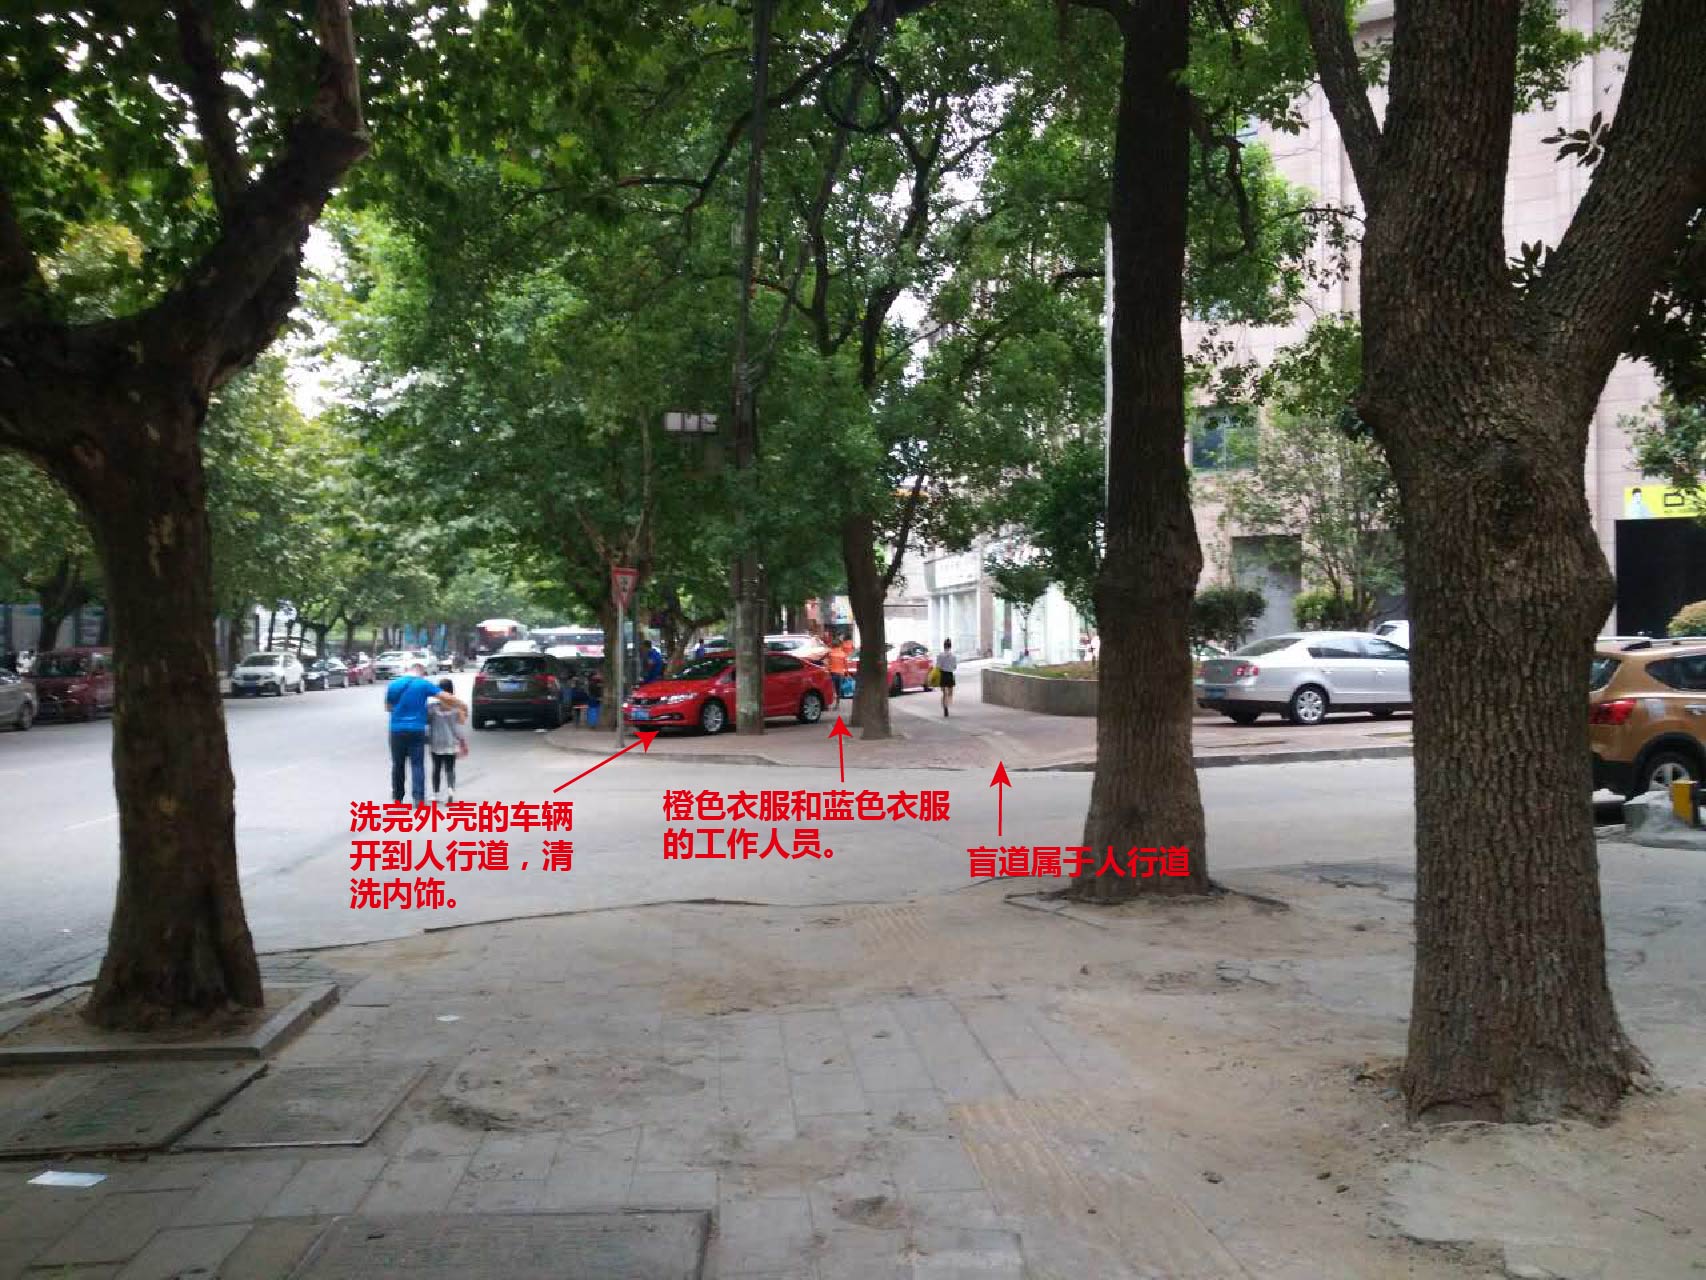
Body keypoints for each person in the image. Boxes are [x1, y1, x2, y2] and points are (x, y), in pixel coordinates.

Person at [386, 661, 446, 806]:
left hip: (397, 730)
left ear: (409, 670)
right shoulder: (423, 684)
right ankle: (418, 798)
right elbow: (444, 696)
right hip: (417, 729)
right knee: (417, 764)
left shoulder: (394, 685)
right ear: (421, 672)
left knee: (398, 764)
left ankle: (398, 797)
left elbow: (388, 707)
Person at [427, 677, 469, 803]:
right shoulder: (457, 708)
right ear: (452, 690)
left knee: (436, 768)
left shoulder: (432, 708)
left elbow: (427, 722)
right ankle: (450, 790)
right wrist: (462, 742)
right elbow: (458, 727)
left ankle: (435, 794)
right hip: (451, 743)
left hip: (436, 742)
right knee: (450, 768)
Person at [935, 638, 959, 717]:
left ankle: (945, 707)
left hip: (942, 675)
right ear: (950, 646)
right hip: (950, 675)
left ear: (944, 646)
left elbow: (938, 666)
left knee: (944, 693)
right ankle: (947, 704)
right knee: (950, 693)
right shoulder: (953, 656)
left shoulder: (940, 655)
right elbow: (954, 667)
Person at [824, 634, 849, 707]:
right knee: (838, 689)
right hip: (840, 673)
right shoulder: (843, 654)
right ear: (839, 645)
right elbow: (846, 665)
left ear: (832, 645)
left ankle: (827, 704)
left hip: (832, 673)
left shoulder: (830, 653)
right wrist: (847, 673)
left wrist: (826, 669)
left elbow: (827, 663)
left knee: (830, 688)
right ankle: (837, 704)